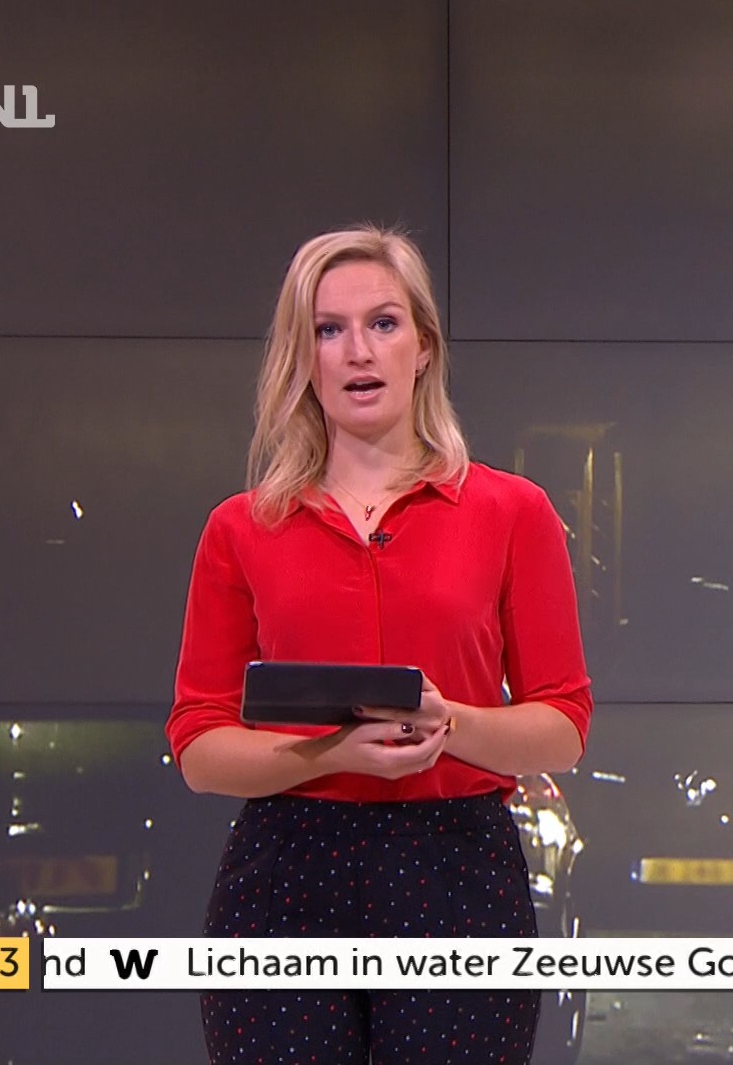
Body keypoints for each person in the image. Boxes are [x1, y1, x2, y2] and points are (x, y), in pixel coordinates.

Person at [166, 224, 592, 1065]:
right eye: (329, 330)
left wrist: (447, 724)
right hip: (286, 876)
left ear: (423, 347)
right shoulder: (241, 529)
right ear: (303, 357)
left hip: (457, 873)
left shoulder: (513, 513)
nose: (358, 351)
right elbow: (199, 745)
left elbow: (564, 727)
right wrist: (331, 755)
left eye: (383, 323)